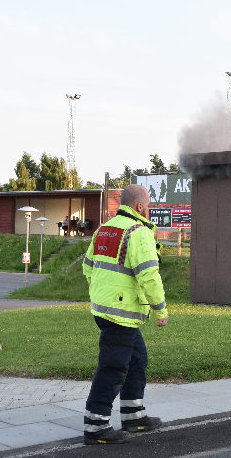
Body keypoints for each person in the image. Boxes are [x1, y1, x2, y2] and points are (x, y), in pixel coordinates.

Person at [82, 185, 169, 445]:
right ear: (140, 207)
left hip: (105, 309)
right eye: (149, 205)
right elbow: (149, 275)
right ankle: (96, 426)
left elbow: (88, 267)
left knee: (137, 360)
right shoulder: (139, 233)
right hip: (121, 313)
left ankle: (133, 415)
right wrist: (160, 309)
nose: (150, 210)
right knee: (114, 367)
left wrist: (103, 293)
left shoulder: (104, 229)